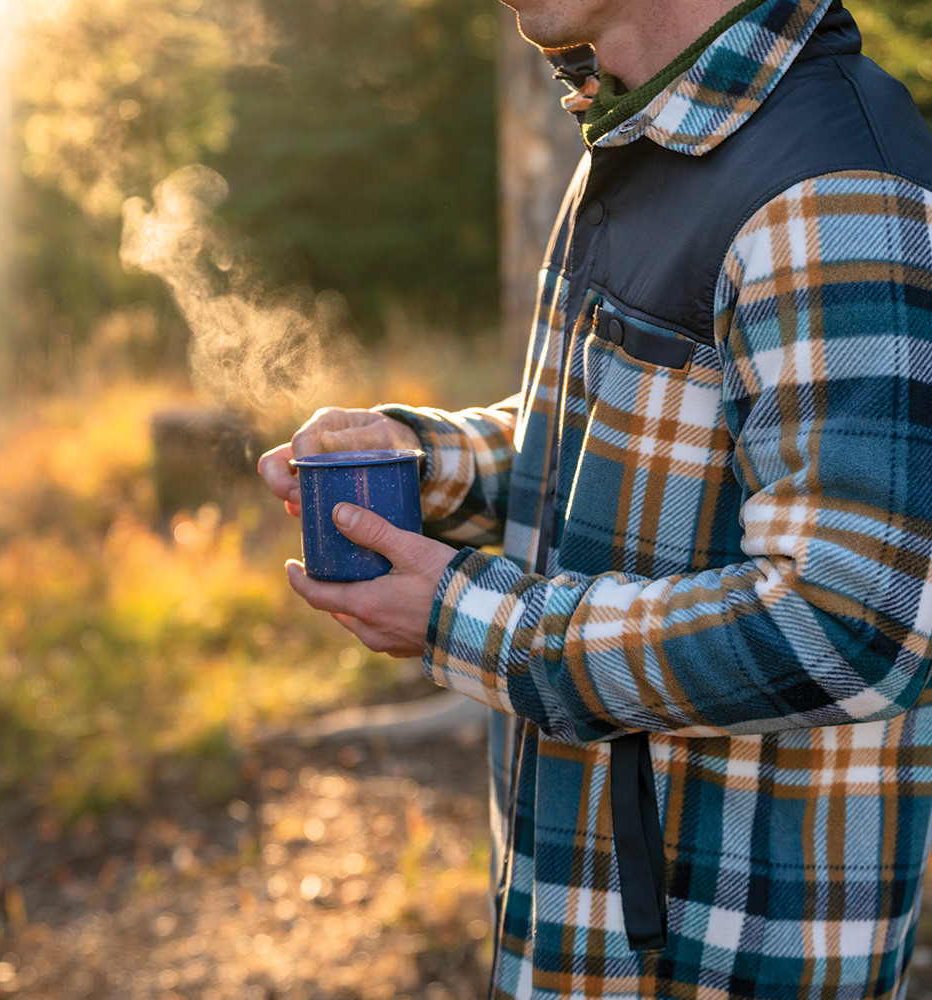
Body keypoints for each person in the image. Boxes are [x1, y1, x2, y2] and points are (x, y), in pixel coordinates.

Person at [260, 0, 932, 994]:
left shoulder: (835, 191)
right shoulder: (640, 126)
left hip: (722, 958)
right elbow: (625, 452)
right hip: (585, 925)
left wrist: (466, 618)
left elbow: (853, 625)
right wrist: (421, 455)